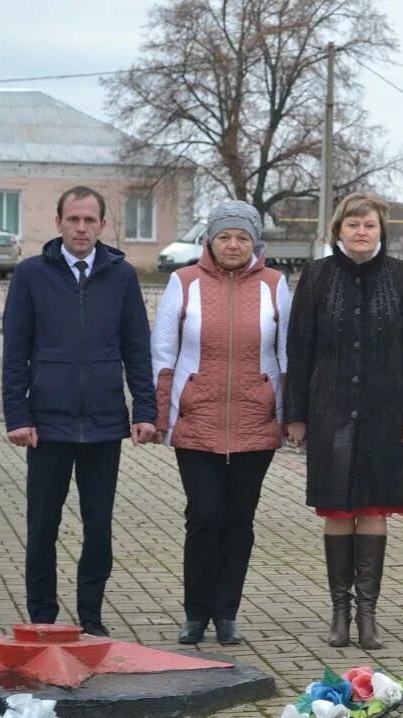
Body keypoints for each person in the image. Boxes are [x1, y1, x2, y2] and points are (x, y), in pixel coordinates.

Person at [2, 185, 156, 637]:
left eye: (90, 220)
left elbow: (136, 348)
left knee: (99, 527)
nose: (82, 228)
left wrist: (143, 408)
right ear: (59, 223)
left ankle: (90, 618)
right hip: (47, 424)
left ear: (103, 225)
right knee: (42, 527)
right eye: (74, 219)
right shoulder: (32, 275)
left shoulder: (121, 275)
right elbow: (16, 353)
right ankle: (43, 619)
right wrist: (18, 416)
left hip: (106, 424)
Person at [285, 192, 403, 651]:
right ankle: (339, 614)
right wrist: (296, 415)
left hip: (386, 414)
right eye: (353, 225)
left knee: (372, 509)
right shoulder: (316, 276)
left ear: (381, 230)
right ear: (338, 230)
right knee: (336, 509)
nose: (361, 231)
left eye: (369, 225)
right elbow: (299, 348)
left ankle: (368, 614)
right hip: (329, 411)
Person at [152, 200, 292, 646]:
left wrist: (288, 415)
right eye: (225, 236)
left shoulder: (274, 284)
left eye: (242, 237)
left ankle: (227, 613)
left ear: (255, 242)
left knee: (239, 520)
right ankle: (196, 613)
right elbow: (162, 352)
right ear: (209, 240)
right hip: (196, 419)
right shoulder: (184, 282)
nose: (233, 245)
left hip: (255, 420)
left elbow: (288, 355)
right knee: (204, 516)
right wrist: (160, 415)